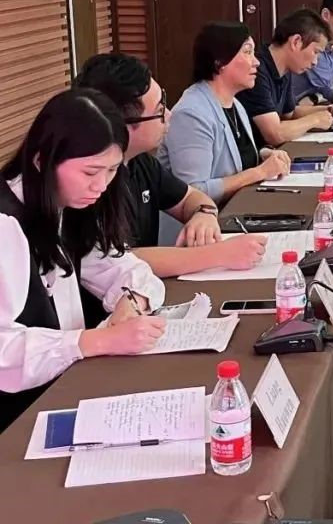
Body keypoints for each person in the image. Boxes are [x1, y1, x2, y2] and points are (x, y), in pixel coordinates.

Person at [0, 89, 166, 432]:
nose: (101, 186)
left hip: (65, 389)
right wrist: (94, 341)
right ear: (42, 161)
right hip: (15, 420)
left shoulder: (66, 204)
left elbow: (121, 267)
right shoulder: (6, 225)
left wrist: (131, 302)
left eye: (111, 170)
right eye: (90, 172)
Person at [76, 54, 267, 277]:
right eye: (159, 110)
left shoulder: (140, 161)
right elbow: (117, 261)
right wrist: (218, 254)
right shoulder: (91, 182)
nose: (169, 115)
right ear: (122, 125)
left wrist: (204, 214)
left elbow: (190, 196)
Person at [159, 22, 292, 211]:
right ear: (219, 62)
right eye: (247, 52)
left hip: (236, 211)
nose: (256, 62)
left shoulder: (235, 103)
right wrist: (259, 172)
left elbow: (234, 158)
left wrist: (264, 156)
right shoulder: (190, 114)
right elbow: (193, 192)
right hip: (201, 224)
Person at [237, 8, 333, 149]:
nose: (315, 62)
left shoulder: (284, 68)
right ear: (296, 42)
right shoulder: (256, 71)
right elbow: (274, 134)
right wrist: (315, 120)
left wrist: (330, 110)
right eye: (316, 52)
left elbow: (290, 114)